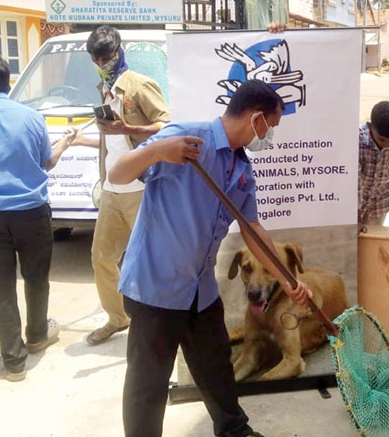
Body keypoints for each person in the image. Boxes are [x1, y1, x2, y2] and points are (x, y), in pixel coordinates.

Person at [108, 79, 313, 437]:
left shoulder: (241, 168)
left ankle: (235, 431)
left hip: (200, 290)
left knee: (216, 367)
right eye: (271, 126)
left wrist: (288, 280)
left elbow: (252, 228)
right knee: (148, 383)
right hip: (156, 287)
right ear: (256, 118)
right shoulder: (186, 139)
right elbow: (117, 174)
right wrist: (158, 151)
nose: (270, 136)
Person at [0, 53, 73, 382]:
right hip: (33, 212)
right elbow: (47, 162)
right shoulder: (32, 117)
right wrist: (63, 144)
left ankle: (13, 363)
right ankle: (36, 336)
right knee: (36, 278)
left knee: (0, 288)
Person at [67, 25, 172, 346]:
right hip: (112, 190)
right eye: (96, 59)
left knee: (151, 259)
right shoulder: (104, 88)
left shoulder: (139, 85)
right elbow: (112, 140)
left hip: (141, 187)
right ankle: (117, 317)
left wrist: (127, 128)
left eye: (107, 57)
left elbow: (168, 126)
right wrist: (83, 140)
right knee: (101, 257)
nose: (102, 64)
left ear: (119, 52)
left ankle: (162, 323)